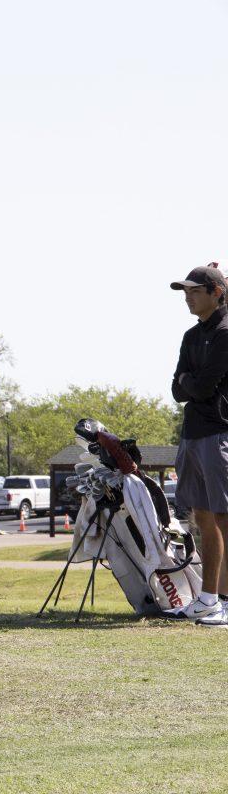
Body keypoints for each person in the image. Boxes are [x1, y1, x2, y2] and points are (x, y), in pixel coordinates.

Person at [169, 264, 228, 626]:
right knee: (201, 517)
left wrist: (190, 381)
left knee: (223, 519)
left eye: (194, 291)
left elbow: (202, 387)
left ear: (216, 292)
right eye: (185, 293)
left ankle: (222, 599)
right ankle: (209, 600)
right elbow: (177, 388)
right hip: (192, 434)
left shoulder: (225, 333)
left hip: (219, 433)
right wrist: (191, 381)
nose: (188, 298)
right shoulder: (192, 336)